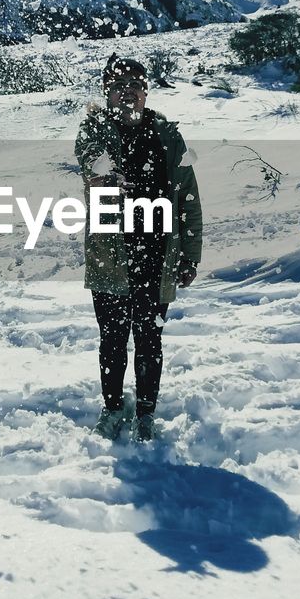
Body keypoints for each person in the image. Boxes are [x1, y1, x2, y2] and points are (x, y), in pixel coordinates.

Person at [75, 53, 202, 442]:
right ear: (106, 93)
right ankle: (113, 407)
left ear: (146, 92)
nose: (126, 92)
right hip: (110, 255)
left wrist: (190, 255)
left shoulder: (167, 135)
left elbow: (189, 198)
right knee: (112, 339)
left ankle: (146, 412)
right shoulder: (94, 129)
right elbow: (89, 159)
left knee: (149, 339)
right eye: (117, 86)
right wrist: (106, 176)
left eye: (134, 85)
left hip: (158, 254)